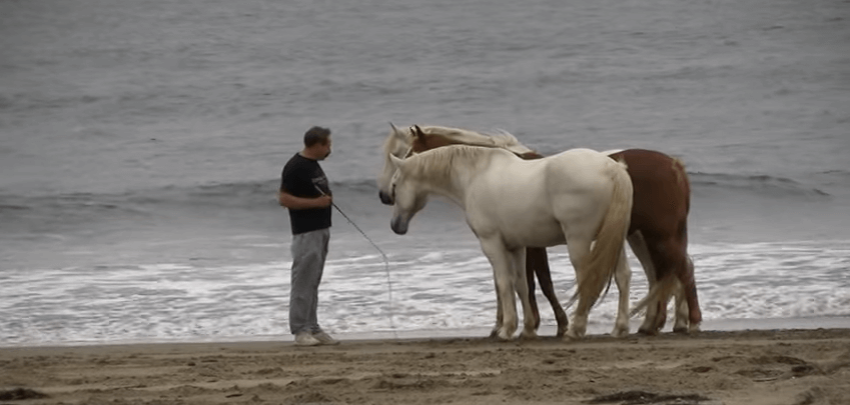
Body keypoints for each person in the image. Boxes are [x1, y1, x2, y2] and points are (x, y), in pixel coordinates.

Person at [278, 126, 339, 346]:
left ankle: (313, 326)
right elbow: (284, 199)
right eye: (328, 145)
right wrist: (316, 203)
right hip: (305, 231)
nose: (330, 149)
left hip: (321, 229)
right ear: (317, 145)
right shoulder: (296, 167)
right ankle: (300, 330)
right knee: (303, 280)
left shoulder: (313, 166)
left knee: (313, 281)